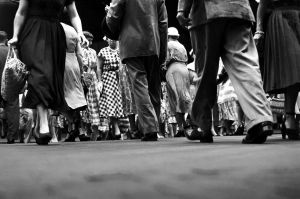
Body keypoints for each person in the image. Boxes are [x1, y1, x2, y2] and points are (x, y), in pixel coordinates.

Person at [177, 0, 274, 143]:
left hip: (206, 10)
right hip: (239, 9)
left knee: (205, 70)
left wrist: (182, 8)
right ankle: (260, 120)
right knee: (245, 65)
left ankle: (202, 126)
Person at [8, 0, 88, 145]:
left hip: (54, 35)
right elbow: (21, 12)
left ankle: (39, 125)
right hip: (32, 32)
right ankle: (44, 125)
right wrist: (15, 35)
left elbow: (74, 14)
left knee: (50, 77)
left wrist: (80, 32)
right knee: (40, 73)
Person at [103, 0, 168, 141]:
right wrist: (162, 52)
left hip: (131, 44)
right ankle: (156, 128)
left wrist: (114, 29)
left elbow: (113, 16)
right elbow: (163, 23)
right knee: (154, 88)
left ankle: (150, 128)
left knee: (140, 86)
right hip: (153, 43)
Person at [255, 0, 300, 140]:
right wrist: (259, 30)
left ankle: (289, 117)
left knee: (296, 68)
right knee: (293, 66)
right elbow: (263, 3)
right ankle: (289, 117)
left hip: (297, 16)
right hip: (281, 19)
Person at [61, 23, 87, 142]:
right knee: (75, 97)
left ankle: (72, 126)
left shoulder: (56, 28)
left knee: (64, 98)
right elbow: (80, 54)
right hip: (74, 64)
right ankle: (80, 129)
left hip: (61, 64)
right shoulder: (72, 30)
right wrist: (81, 70)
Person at [165, 27, 192, 137]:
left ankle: (182, 126)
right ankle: (189, 121)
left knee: (175, 97)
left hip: (173, 69)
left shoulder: (168, 45)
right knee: (184, 95)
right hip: (184, 69)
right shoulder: (182, 46)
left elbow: (166, 59)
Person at [98, 39, 124, 140]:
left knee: (121, 103)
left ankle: (122, 128)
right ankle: (116, 127)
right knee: (111, 103)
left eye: (114, 39)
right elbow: (99, 67)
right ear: (107, 40)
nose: (112, 41)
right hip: (108, 78)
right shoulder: (103, 51)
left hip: (121, 78)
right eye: (110, 39)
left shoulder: (121, 50)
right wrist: (100, 81)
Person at [0, 30, 19, 144]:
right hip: (9, 85)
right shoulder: (11, 52)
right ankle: (11, 137)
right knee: (12, 110)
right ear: (6, 40)